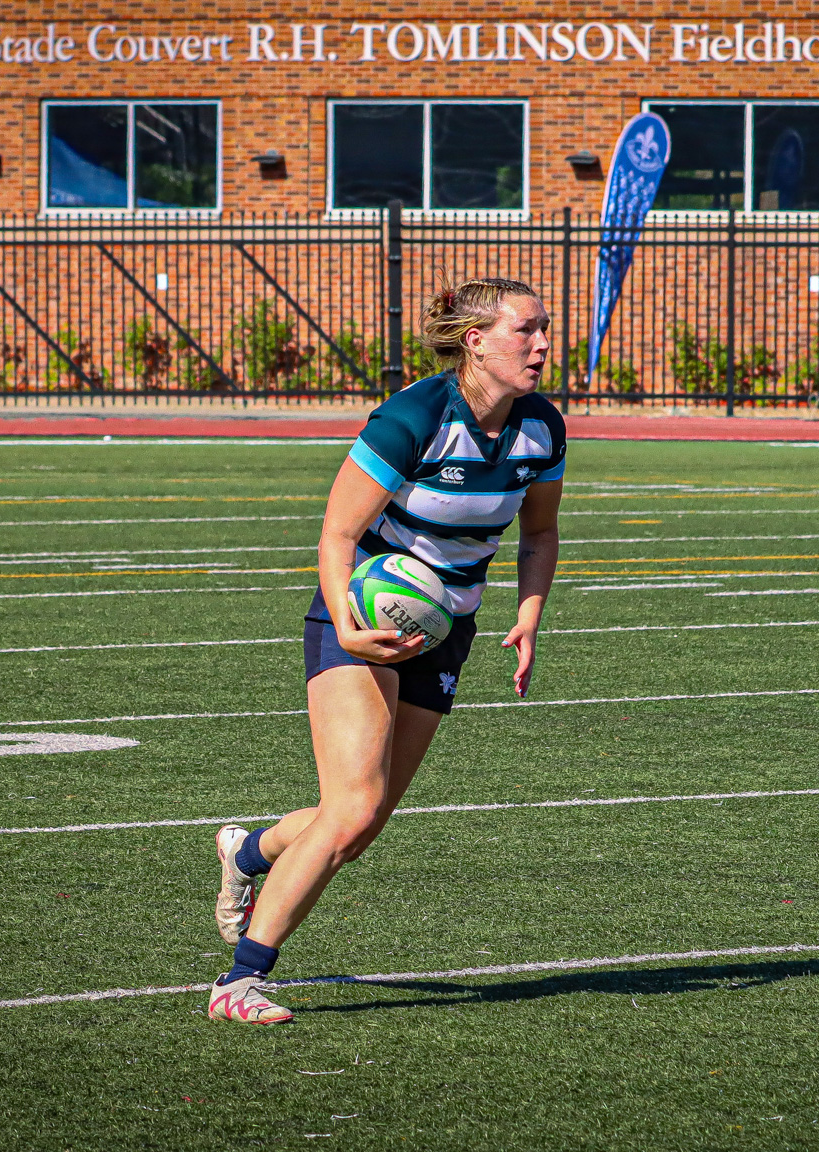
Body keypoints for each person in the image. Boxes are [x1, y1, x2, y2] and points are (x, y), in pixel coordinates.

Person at [207, 277, 565, 1026]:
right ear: (476, 341)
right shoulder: (413, 418)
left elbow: (537, 533)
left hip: (444, 631)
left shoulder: (541, 427)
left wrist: (529, 615)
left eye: (544, 330)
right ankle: (238, 983)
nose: (541, 345)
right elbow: (337, 535)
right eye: (526, 331)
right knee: (353, 807)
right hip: (358, 623)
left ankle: (249, 854)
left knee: (364, 825)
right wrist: (343, 622)